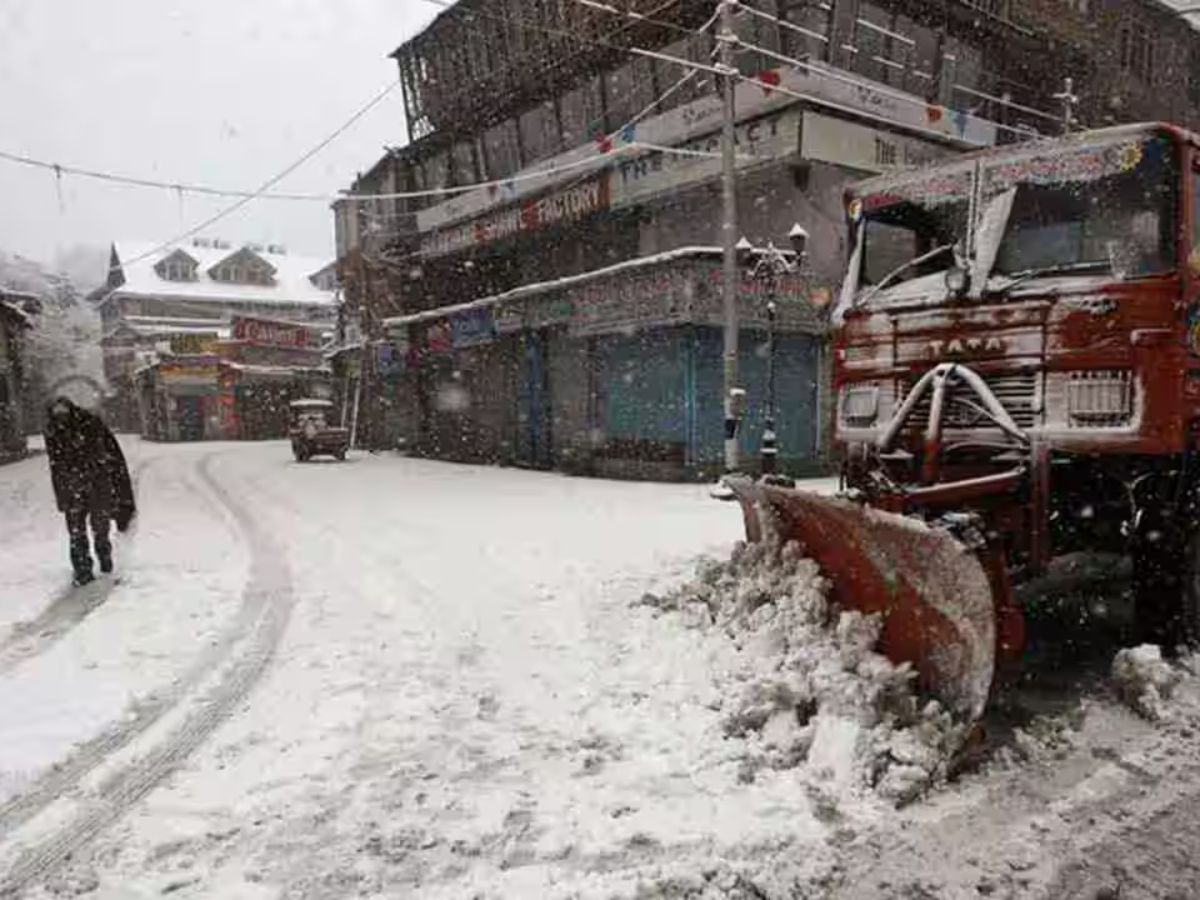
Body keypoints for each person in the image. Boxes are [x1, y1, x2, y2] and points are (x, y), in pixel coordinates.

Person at [43, 396, 136, 585]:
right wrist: (61, 494)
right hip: (72, 484)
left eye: (63, 414)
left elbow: (110, 452)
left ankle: (104, 555)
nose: (61, 418)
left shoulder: (91, 423)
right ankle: (82, 569)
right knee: (76, 531)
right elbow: (55, 465)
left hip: (96, 481)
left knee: (99, 525)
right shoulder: (53, 431)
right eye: (57, 415)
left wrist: (109, 478)